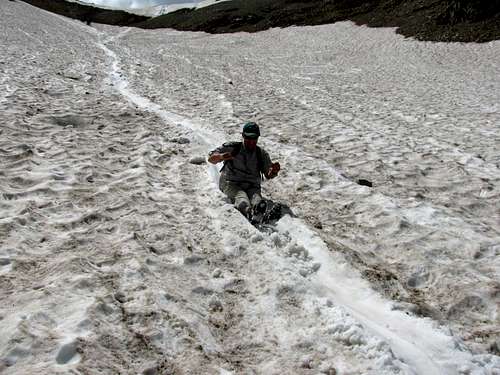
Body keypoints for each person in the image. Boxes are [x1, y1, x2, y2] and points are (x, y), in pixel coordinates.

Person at [208, 122, 280, 220]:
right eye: (248, 138)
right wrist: (222, 156)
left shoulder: (261, 154)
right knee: (241, 196)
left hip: (252, 186)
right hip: (231, 183)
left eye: (254, 139)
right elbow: (211, 159)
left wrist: (273, 171)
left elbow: (268, 174)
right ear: (243, 136)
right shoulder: (233, 148)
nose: (251, 142)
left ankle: (259, 211)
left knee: (256, 199)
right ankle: (248, 212)